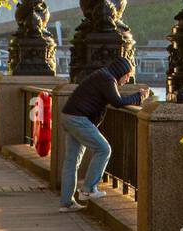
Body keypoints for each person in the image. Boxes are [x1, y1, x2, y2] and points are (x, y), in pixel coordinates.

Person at [59, 57, 149, 212]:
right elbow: (118, 102)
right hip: (79, 119)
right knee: (103, 149)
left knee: (71, 161)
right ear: (121, 72)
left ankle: (67, 203)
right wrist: (140, 96)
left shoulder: (102, 75)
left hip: (69, 116)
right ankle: (88, 189)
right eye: (127, 76)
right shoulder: (107, 79)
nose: (127, 80)